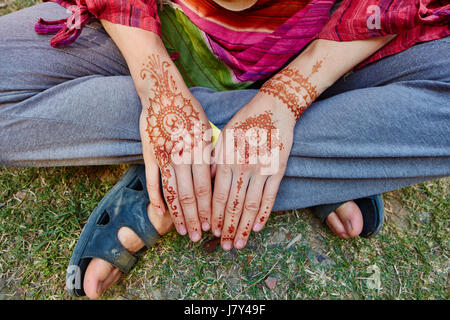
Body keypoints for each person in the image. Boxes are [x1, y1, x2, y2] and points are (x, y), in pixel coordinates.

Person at [0, 0, 448, 299]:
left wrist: (290, 95)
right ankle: (320, 155)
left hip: (335, 44)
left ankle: (189, 170)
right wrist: (159, 89)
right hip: (166, 32)